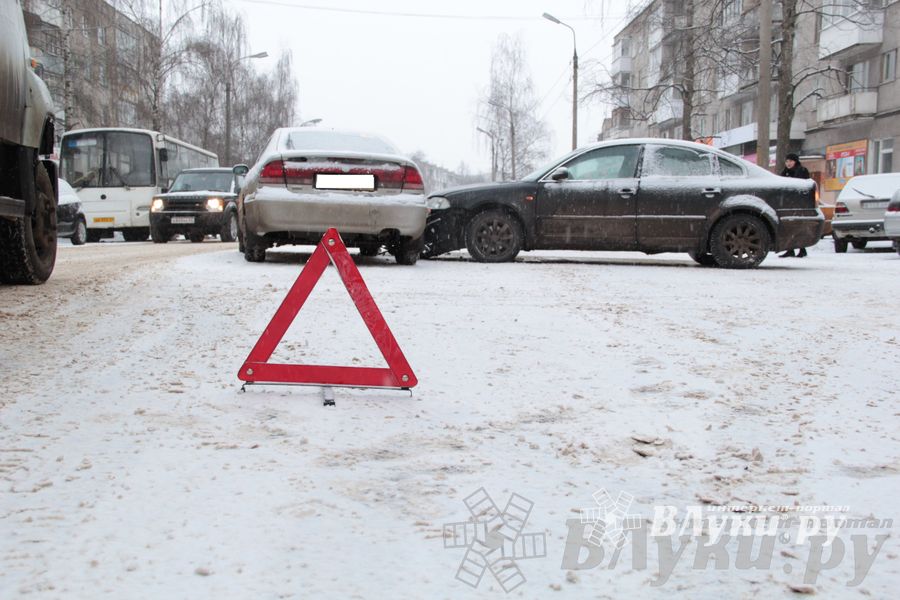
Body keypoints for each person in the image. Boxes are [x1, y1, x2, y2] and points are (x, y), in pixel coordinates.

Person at [779, 153, 811, 258]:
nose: (788, 163)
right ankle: (790, 249)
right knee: (788, 227)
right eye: (787, 161)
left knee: (798, 226)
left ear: (795, 161)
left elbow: (803, 186)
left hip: (800, 204)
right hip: (788, 203)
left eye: (791, 161)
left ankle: (802, 249)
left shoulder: (801, 171)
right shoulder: (785, 172)